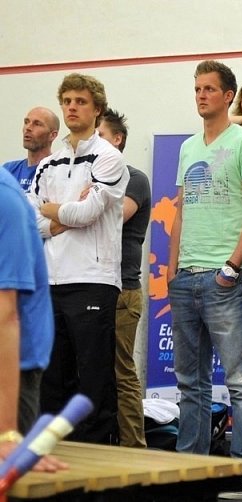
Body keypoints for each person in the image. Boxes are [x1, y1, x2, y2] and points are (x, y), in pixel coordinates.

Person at [167, 59, 242, 499]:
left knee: (241, 382)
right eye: (197, 89)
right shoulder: (188, 147)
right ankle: (190, 468)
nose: (201, 95)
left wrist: (230, 267)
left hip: (225, 277)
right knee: (190, 383)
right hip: (186, 277)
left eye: (209, 89)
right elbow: (181, 211)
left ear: (228, 96)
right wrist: (172, 269)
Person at [28, 73, 129, 444]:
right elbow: (31, 220)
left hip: (93, 280)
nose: (72, 107)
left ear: (96, 109)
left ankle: (98, 457)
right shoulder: (47, 164)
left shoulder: (110, 158)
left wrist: (53, 210)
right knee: (53, 377)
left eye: (81, 101)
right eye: (67, 101)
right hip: (51, 281)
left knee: (93, 378)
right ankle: (56, 454)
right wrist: (62, 216)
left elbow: (87, 214)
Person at [0, 168, 66, 473]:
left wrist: (6, 434)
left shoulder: (5, 200)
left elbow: (6, 315)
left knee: (10, 476)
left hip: (13, 367)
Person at [97, 108, 151, 448]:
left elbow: (111, 219)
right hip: (91, 288)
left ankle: (134, 449)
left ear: (117, 140)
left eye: (100, 136)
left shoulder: (135, 178)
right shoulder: (87, 180)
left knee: (121, 372)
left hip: (122, 290)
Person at [2, 107, 59, 192]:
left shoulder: (57, 171)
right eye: (26, 122)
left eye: (37, 124)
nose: (28, 128)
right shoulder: (8, 170)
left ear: (52, 135)